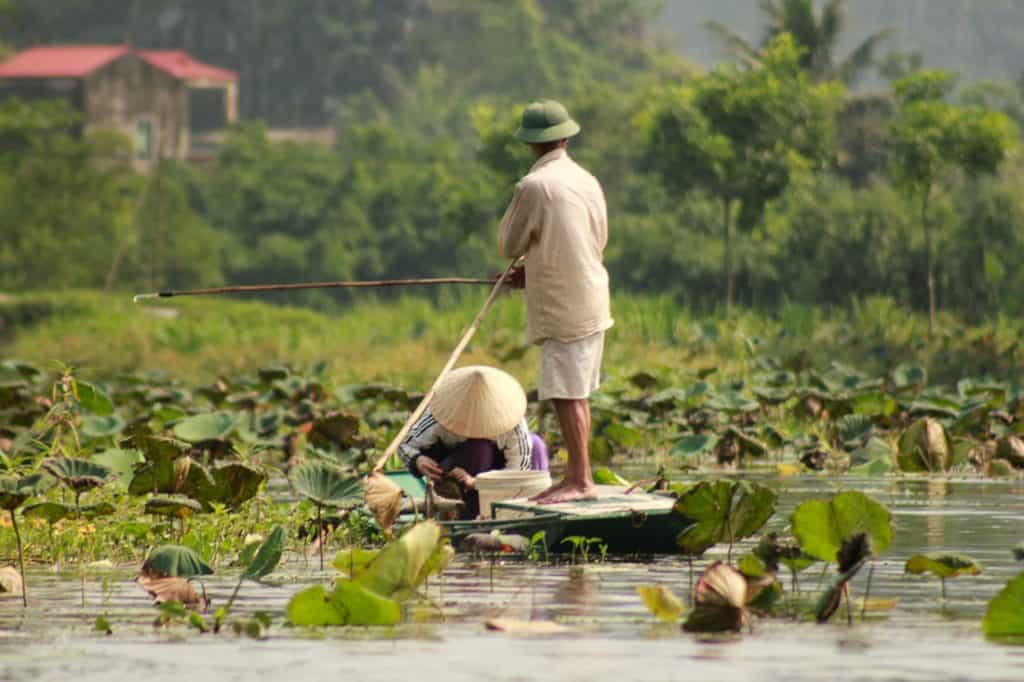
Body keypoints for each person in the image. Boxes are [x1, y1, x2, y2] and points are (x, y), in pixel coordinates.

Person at [497, 99, 613, 504]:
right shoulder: (588, 179)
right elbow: (593, 241)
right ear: (564, 137)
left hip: (564, 306)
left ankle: (580, 481)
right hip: (593, 295)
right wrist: (536, 269)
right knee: (575, 392)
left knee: (567, 393)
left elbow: (508, 243)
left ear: (531, 144)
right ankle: (580, 476)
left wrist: (530, 265)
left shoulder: (533, 186)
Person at [398, 365, 549, 518]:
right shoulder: (440, 415)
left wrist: (478, 482)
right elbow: (405, 444)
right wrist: (418, 460)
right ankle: (469, 517)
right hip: (456, 470)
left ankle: (527, 513)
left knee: (536, 445)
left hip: (497, 479)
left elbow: (519, 470)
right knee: (479, 448)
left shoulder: (512, 422)